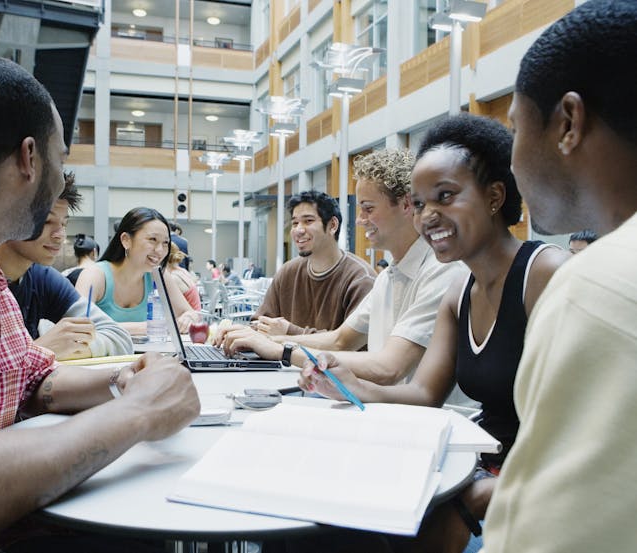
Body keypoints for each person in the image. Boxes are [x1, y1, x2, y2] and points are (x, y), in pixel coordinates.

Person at [0, 57, 199, 552]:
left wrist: (122, 382)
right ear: (30, 159)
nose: (60, 182)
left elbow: (28, 379)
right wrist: (139, 412)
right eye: (60, 159)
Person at [299, 114, 568, 553]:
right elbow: (425, 393)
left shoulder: (545, 274)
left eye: (445, 196)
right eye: (421, 203)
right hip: (479, 470)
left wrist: (476, 500)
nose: (428, 217)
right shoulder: (459, 287)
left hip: (530, 483)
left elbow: (575, 431)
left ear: (496, 196)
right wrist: (352, 386)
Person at [480, 2, 637, 551]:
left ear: (568, 123)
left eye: (516, 128)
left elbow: (542, 538)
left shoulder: (592, 287)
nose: (515, 163)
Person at [219, 150, 464, 386]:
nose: (359, 219)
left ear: (406, 205)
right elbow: (340, 340)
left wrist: (282, 350)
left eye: (368, 208)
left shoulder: (442, 272)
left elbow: (389, 369)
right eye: (295, 223)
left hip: (424, 421)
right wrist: (263, 338)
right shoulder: (388, 277)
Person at [0, 172, 132, 360]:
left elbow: (118, 337)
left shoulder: (42, 278)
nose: (60, 235)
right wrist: (38, 351)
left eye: (64, 223)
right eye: (47, 221)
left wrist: (71, 347)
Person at [249, 190, 376, 335]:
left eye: (308, 221)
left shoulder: (361, 279)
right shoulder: (288, 272)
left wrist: (289, 332)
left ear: (333, 225)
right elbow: (261, 322)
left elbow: (347, 345)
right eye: (295, 223)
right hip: (282, 357)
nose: (298, 230)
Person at [75, 207, 200, 335]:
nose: (160, 250)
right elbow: (77, 325)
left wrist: (189, 318)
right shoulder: (94, 275)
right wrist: (146, 328)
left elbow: (190, 313)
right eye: (152, 240)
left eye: (165, 243)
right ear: (126, 240)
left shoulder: (158, 275)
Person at [167, 241, 201, 310]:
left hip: (189, 319)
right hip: (195, 316)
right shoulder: (182, 271)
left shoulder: (174, 278)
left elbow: (172, 309)